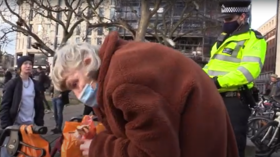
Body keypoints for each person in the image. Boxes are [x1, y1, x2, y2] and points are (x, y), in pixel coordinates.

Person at [51, 32, 239, 157]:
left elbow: (151, 152)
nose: (78, 94)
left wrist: (98, 147)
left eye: (75, 83)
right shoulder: (120, 64)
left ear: (88, 61)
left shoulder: (122, 81)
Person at [202, 1, 267, 157]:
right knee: (210, 142)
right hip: (213, 97)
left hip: (234, 101)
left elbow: (248, 71)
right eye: (224, 19)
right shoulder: (222, 40)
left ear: (242, 16)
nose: (225, 22)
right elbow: (210, 67)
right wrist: (198, 78)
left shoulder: (254, 40)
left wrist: (216, 82)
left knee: (233, 147)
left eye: (229, 18)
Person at [0, 56, 45, 157]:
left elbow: (39, 105)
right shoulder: (12, 84)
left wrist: (39, 121)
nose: (28, 66)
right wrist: (6, 126)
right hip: (15, 125)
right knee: (9, 152)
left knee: (30, 152)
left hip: (30, 125)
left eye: (30, 64)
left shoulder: (35, 84)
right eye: (25, 64)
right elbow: (5, 106)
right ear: (20, 67)